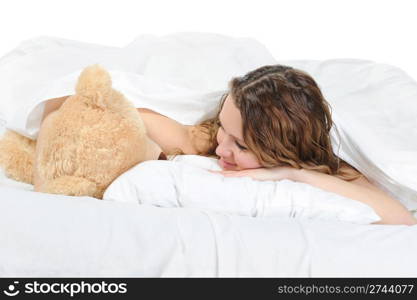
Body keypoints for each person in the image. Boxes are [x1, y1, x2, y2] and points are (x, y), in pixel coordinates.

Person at [39, 64, 417, 225]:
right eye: (225, 129)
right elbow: (73, 107)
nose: (222, 151)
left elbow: (400, 218)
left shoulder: (320, 165)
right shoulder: (201, 138)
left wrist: (291, 174)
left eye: (242, 146)